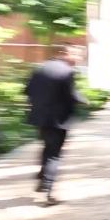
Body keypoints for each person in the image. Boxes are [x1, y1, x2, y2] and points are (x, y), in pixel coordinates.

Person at [25, 44, 86, 206]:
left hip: (40, 119)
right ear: (63, 54)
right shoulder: (67, 71)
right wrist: (84, 100)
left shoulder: (39, 69)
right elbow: (71, 95)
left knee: (46, 148)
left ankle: (41, 179)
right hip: (59, 121)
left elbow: (28, 91)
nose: (78, 58)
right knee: (54, 155)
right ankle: (47, 192)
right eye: (76, 54)